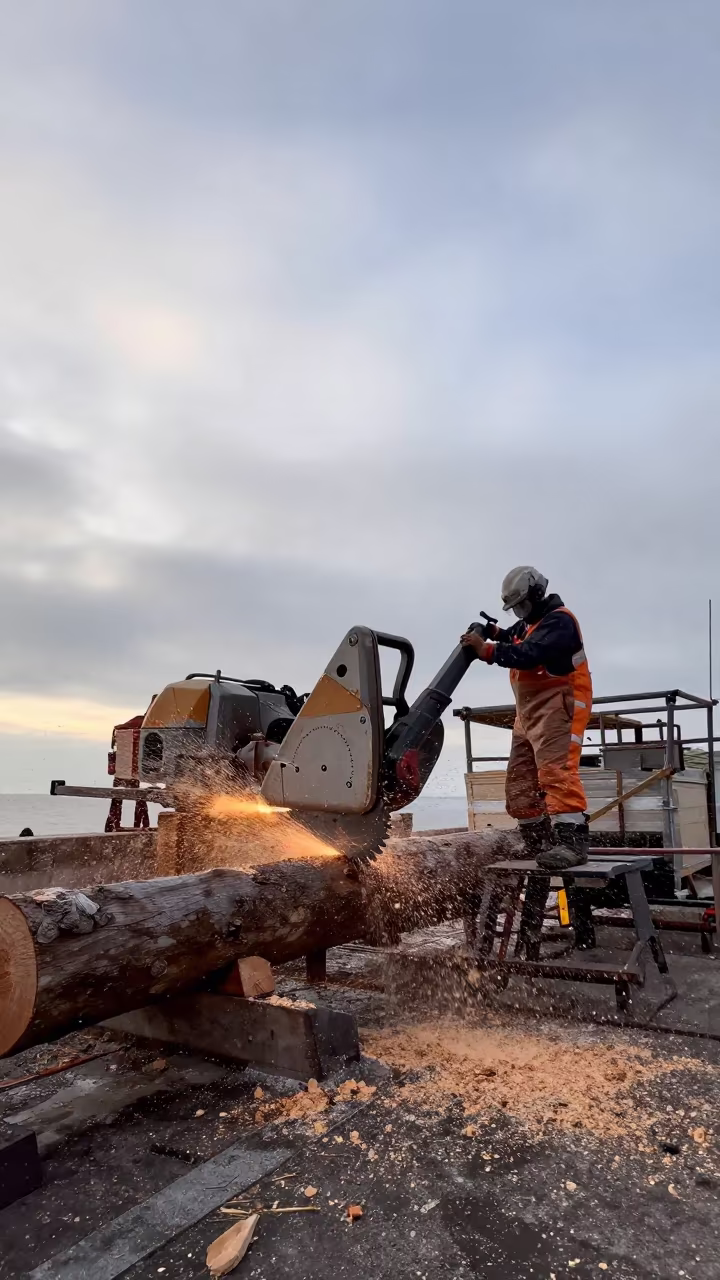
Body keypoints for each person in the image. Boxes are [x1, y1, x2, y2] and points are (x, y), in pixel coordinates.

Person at [461, 566, 592, 869]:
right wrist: (494, 633)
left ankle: (571, 842)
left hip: (559, 708)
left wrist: (487, 650)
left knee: (556, 773)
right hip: (528, 715)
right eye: (515, 608)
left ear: (536, 594)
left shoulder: (561, 622)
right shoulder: (530, 624)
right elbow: (516, 637)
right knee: (520, 782)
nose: (519, 612)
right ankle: (536, 840)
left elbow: (530, 653)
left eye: (521, 605)